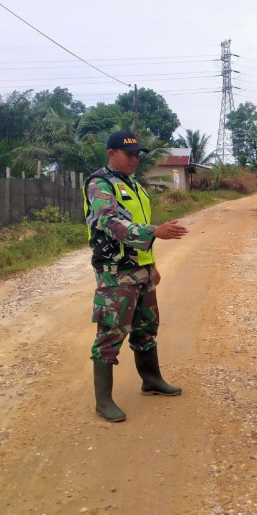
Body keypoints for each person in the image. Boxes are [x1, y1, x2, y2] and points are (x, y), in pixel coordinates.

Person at [83, 130, 189, 422]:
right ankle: (103, 401)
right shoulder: (99, 184)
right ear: (111, 153)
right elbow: (110, 223)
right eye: (128, 153)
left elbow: (137, 223)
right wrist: (155, 231)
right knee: (110, 333)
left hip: (140, 270)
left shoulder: (134, 185)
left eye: (137, 154)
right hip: (116, 272)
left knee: (146, 328)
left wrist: (151, 264)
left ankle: (151, 380)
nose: (134, 158)